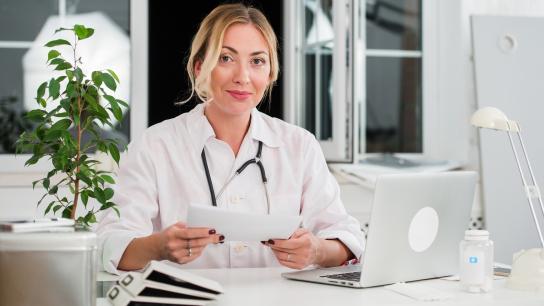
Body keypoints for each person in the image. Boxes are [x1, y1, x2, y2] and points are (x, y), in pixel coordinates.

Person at [97, 3, 364, 274]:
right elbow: (109, 246)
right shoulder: (154, 146)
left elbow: (348, 239)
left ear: (270, 73)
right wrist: (159, 247)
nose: (242, 77)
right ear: (200, 67)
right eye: (226, 58)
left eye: (257, 61)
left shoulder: (300, 146)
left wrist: (316, 250)